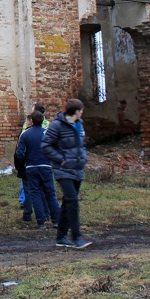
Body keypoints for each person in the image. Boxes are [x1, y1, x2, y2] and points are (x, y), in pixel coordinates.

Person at [41, 98, 92, 249]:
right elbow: (45, 145)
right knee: (73, 201)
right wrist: (60, 159)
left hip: (77, 168)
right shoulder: (57, 125)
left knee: (68, 202)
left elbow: (81, 144)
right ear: (77, 111)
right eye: (81, 110)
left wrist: (83, 158)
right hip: (63, 169)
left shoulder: (79, 124)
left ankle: (61, 237)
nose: (82, 112)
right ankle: (76, 237)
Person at [15, 109, 61, 229]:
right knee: (50, 193)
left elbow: (19, 153)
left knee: (35, 193)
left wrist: (25, 161)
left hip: (31, 167)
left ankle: (41, 222)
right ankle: (56, 220)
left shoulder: (25, 134)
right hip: (46, 166)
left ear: (31, 121)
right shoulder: (48, 133)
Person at [18, 103, 47, 220]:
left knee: (31, 190)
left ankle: (29, 214)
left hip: (30, 164)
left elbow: (20, 151)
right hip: (44, 164)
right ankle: (48, 215)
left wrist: (21, 164)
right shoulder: (47, 128)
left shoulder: (27, 131)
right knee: (45, 190)